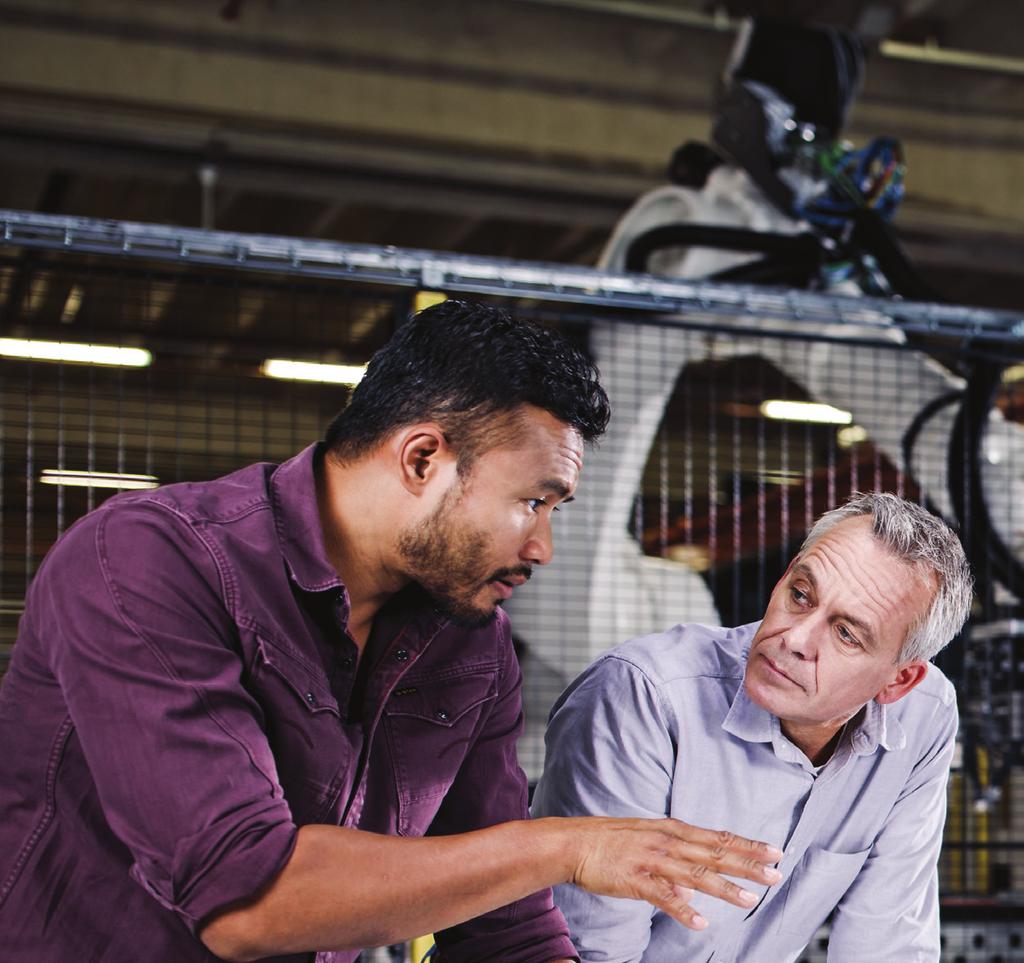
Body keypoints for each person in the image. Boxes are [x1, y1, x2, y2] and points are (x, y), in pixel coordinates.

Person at [0, 299, 783, 963]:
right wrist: (567, 844)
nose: (542, 545)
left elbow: (505, 931)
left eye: (557, 510)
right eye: (532, 502)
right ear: (421, 459)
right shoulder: (149, 559)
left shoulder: (469, 644)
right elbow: (245, 897)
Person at [532, 492, 973, 962]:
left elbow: (887, 944)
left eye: (846, 633)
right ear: (784, 577)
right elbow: (589, 952)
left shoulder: (923, 714)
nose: (794, 639)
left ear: (898, 680)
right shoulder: (645, 697)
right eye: (800, 595)